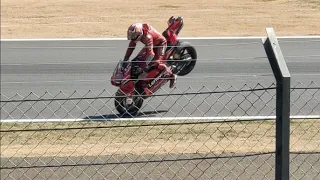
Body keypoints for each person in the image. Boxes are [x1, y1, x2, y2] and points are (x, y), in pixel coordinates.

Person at [121, 22, 177, 93]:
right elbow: (130, 48)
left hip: (160, 44)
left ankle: (171, 74)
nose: (132, 37)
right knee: (139, 60)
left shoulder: (148, 37)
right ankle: (143, 80)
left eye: (134, 35)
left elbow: (151, 54)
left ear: (139, 33)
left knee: (155, 63)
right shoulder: (138, 36)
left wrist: (143, 67)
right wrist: (125, 59)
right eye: (131, 35)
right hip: (151, 44)